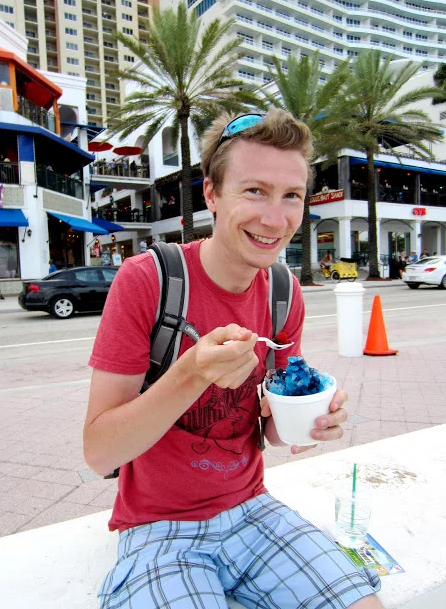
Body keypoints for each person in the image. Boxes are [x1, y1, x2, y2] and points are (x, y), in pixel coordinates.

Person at [84, 110, 381, 609]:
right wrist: (192, 372)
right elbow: (99, 453)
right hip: (160, 528)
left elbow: (272, 433)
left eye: (292, 195)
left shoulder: (283, 292)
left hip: (253, 510)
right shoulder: (148, 281)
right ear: (212, 194)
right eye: (255, 191)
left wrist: (311, 418)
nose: (275, 219)